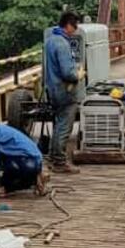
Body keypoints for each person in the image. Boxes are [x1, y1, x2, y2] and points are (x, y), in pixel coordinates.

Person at [43, 10, 83, 174]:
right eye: (75, 26)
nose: (75, 30)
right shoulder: (62, 43)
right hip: (64, 90)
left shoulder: (50, 40)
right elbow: (68, 73)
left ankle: (53, 157)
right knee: (65, 127)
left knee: (58, 123)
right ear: (68, 25)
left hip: (52, 89)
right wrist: (78, 74)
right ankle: (60, 161)